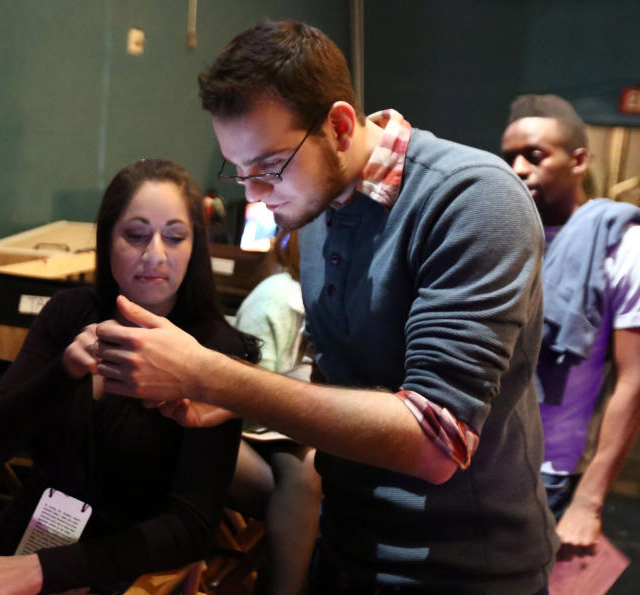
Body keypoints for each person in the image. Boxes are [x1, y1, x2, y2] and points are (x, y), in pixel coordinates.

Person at [93, 21, 557, 593]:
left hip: (461, 570)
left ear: (338, 126)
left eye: (267, 167)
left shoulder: (473, 199)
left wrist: (215, 378)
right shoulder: (315, 203)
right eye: (239, 172)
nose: (256, 196)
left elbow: (436, 440)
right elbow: (346, 372)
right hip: (345, 545)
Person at [0, 159, 260, 595]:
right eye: (136, 235)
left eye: (176, 237)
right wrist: (62, 372)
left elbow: (191, 527)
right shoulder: (70, 312)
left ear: (195, 246)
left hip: (121, 562)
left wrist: (45, 570)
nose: (156, 254)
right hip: (31, 530)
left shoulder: (215, 351)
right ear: (107, 241)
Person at [502, 95, 640, 559]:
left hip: (548, 470)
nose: (518, 168)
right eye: (509, 157)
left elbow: (635, 384)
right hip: (480, 459)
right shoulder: (503, 235)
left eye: (535, 156)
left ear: (579, 160)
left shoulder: (628, 244)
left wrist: (589, 501)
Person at [230, 230, 321, 595]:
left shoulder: (308, 295)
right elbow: (248, 383)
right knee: (307, 480)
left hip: (282, 423)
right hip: (250, 423)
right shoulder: (278, 295)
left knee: (312, 472)